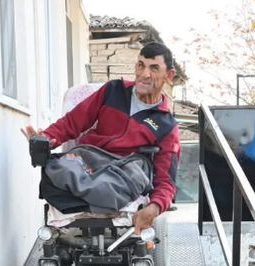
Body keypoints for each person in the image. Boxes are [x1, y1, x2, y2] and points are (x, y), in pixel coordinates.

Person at [22, 42, 181, 232]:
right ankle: (92, 192)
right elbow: (72, 122)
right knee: (54, 167)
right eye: (140, 65)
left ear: (169, 75)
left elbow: (166, 179)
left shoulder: (167, 125)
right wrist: (45, 139)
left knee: (113, 187)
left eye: (154, 68)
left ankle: (81, 193)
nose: (144, 74)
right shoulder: (113, 90)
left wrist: (155, 207)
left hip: (127, 168)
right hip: (90, 157)